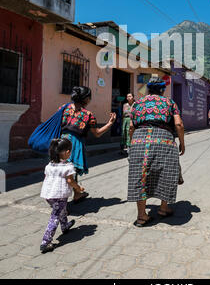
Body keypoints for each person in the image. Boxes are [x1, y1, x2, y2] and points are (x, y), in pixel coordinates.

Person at [128, 77, 185, 227]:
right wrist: (182, 143)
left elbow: (131, 127)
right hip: (163, 139)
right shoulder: (169, 102)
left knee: (139, 175)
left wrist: (131, 144)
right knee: (166, 172)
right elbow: (178, 124)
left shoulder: (137, 103)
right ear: (162, 90)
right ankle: (163, 208)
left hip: (139, 140)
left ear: (148, 89)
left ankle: (141, 216)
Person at [61, 86, 116, 202]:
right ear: (86, 99)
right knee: (70, 170)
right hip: (74, 144)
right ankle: (63, 204)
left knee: (64, 170)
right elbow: (97, 133)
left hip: (60, 141)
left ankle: (77, 194)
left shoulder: (63, 108)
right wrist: (110, 124)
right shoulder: (88, 115)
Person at [40, 138, 84, 253]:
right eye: (70, 150)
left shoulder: (49, 165)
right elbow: (70, 181)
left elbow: (46, 178)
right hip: (59, 194)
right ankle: (46, 241)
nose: (70, 152)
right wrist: (78, 188)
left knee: (61, 210)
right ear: (67, 152)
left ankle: (64, 226)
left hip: (48, 194)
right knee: (55, 216)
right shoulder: (68, 167)